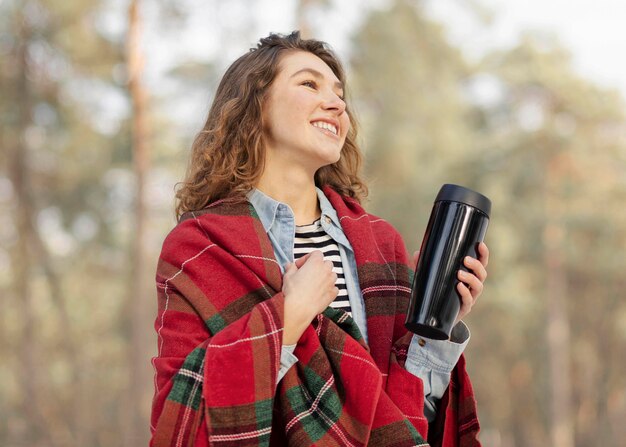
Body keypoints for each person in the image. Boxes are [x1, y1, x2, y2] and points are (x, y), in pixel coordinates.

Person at [150, 31, 489, 447]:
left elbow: (405, 416)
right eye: (309, 84)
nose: (337, 104)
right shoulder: (198, 247)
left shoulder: (382, 245)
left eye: (340, 94)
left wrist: (434, 329)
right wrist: (288, 316)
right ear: (254, 107)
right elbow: (180, 417)